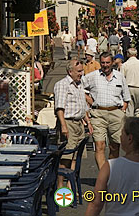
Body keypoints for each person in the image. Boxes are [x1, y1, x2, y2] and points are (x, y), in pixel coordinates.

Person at [85, 117, 139, 216]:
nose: (120, 137)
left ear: (130, 138)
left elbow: (95, 204)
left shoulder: (110, 167)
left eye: (122, 134)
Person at [82, 52, 131, 169]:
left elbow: (127, 97)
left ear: (112, 62)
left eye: (107, 62)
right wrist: (89, 99)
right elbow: (79, 87)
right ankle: (104, 176)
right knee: (99, 145)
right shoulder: (93, 76)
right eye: (103, 63)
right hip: (98, 113)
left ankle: (112, 173)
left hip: (116, 114)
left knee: (115, 146)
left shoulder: (119, 76)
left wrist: (122, 111)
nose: (105, 65)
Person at [54, 59, 93, 188]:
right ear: (70, 72)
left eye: (82, 70)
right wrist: (63, 126)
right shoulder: (62, 84)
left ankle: (71, 187)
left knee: (76, 157)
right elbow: (60, 107)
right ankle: (60, 188)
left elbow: (83, 106)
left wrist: (88, 121)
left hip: (79, 124)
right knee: (66, 157)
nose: (81, 73)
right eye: (79, 71)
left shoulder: (79, 84)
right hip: (68, 123)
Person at [121, 47, 139, 116]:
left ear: (128, 54)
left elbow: (121, 78)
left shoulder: (124, 65)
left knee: (129, 110)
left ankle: (130, 125)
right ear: (136, 54)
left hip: (128, 88)